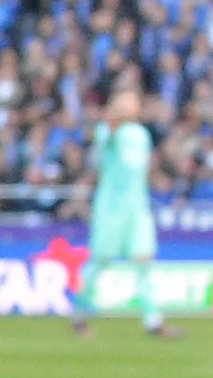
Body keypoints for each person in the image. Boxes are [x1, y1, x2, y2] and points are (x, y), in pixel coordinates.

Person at [72, 82, 177, 339]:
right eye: (125, 102)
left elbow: (138, 168)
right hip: (111, 207)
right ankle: (80, 315)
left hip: (138, 206)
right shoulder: (108, 131)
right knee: (100, 261)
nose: (131, 106)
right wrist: (111, 119)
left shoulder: (141, 134)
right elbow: (102, 148)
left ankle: (153, 321)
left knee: (144, 261)